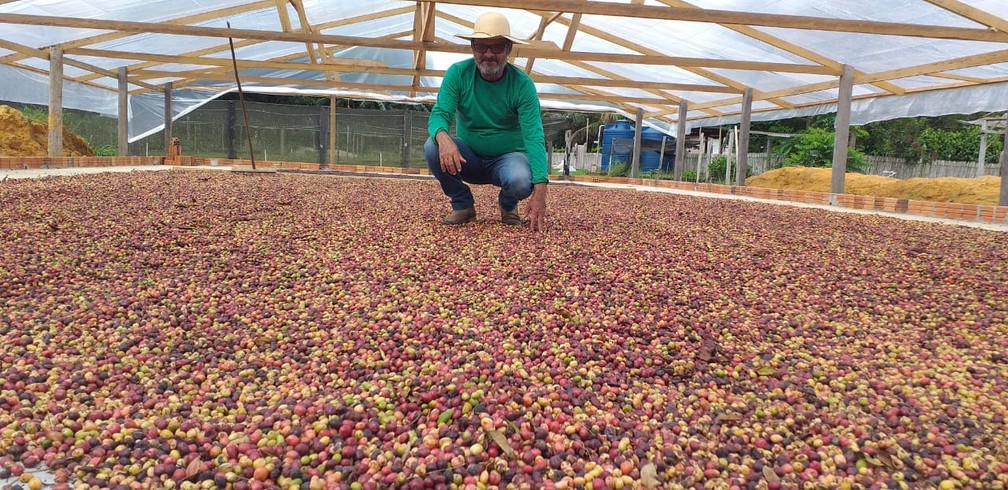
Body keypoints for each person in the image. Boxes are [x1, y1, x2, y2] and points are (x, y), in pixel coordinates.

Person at [425, 11, 548, 231]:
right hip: (468, 157)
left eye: (497, 47)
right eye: (481, 47)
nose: (488, 54)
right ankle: (463, 205)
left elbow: (534, 137)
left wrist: (541, 192)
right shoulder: (458, 74)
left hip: (508, 160)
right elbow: (440, 114)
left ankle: (508, 205)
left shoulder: (522, 85)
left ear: (508, 49)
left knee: (520, 179)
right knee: (432, 146)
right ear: (473, 48)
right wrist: (443, 138)